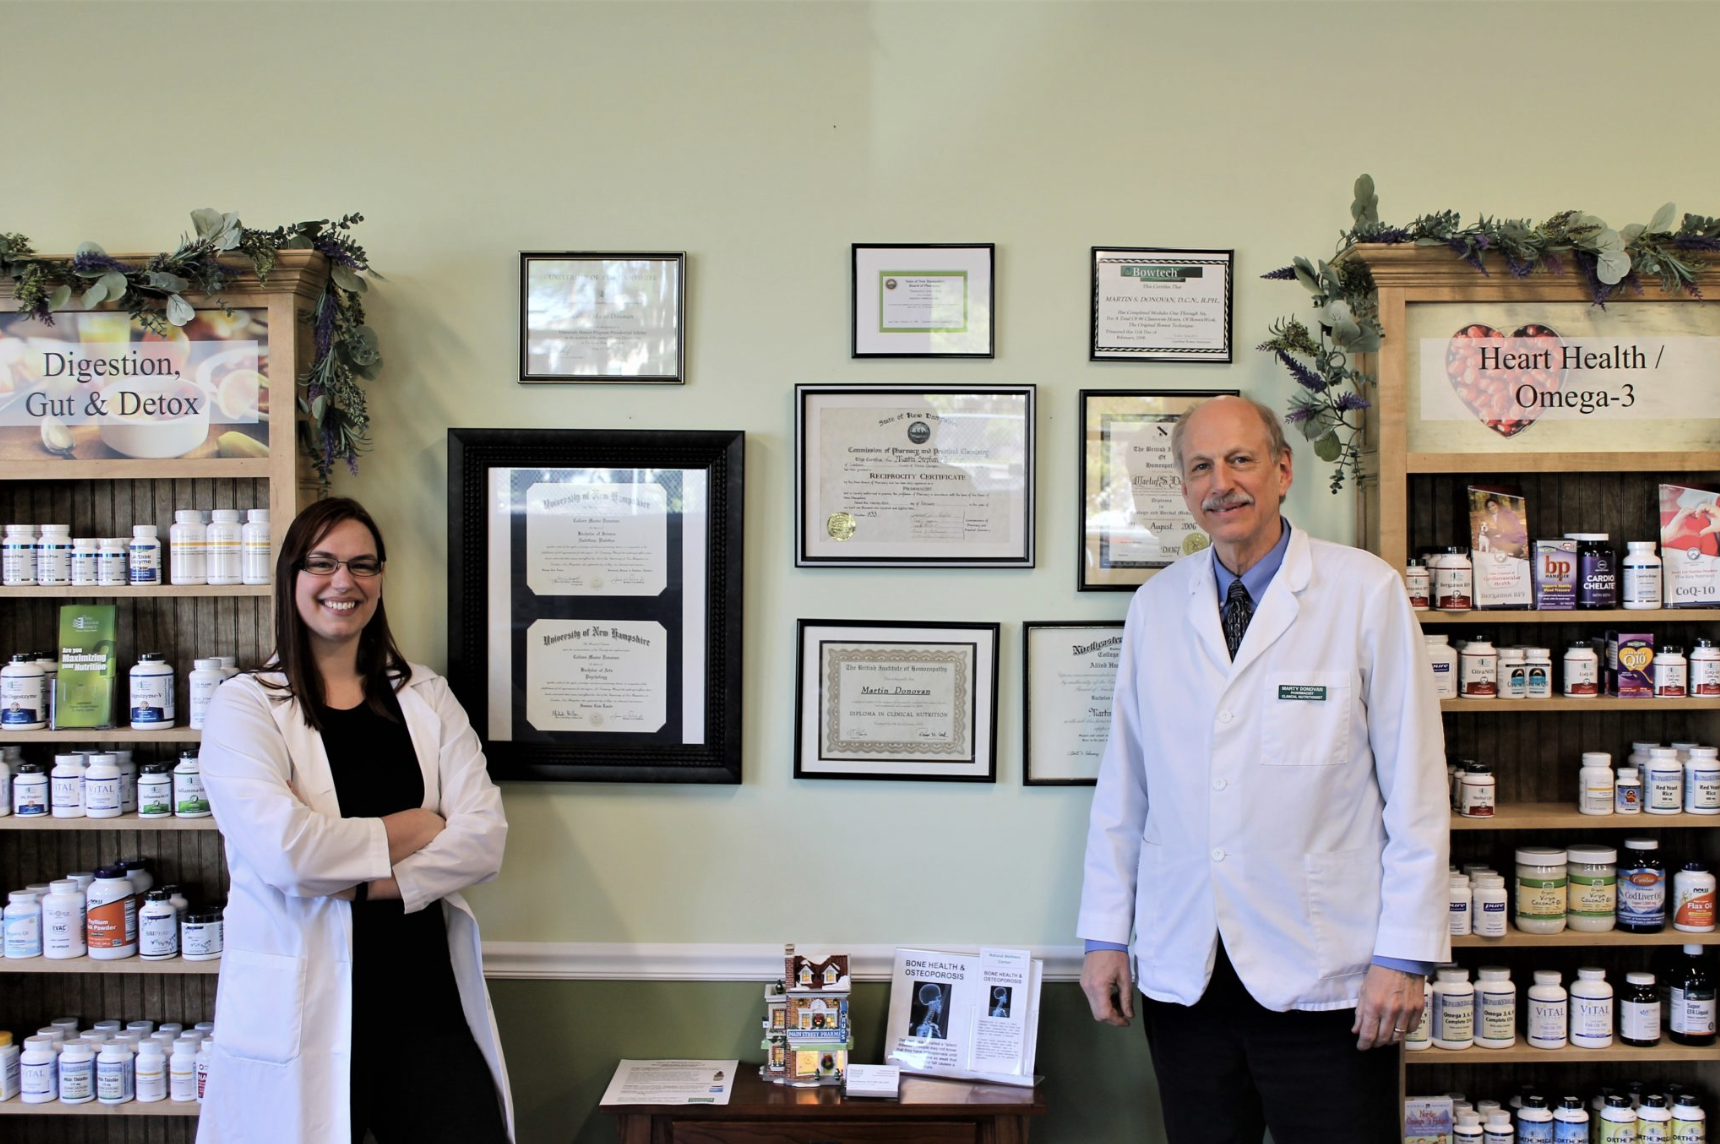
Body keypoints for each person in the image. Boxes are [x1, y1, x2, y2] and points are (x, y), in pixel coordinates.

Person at [1077, 396, 1448, 1144]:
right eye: (1201, 467)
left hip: (1324, 971)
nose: (1223, 483)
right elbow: (1126, 788)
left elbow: (1417, 786)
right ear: (1184, 490)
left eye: (1241, 460)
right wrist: (1104, 937)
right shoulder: (1155, 607)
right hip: (1188, 973)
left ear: (1282, 470)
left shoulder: (1363, 592)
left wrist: (1404, 953)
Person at [198, 497, 512, 1144]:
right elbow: (290, 855)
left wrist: (363, 882)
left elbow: (483, 840)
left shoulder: (425, 696)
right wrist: (420, 825)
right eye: (323, 563)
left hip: (424, 1002)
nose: (344, 582)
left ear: (379, 580)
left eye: (362, 566)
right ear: (292, 577)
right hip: (302, 1007)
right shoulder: (246, 707)